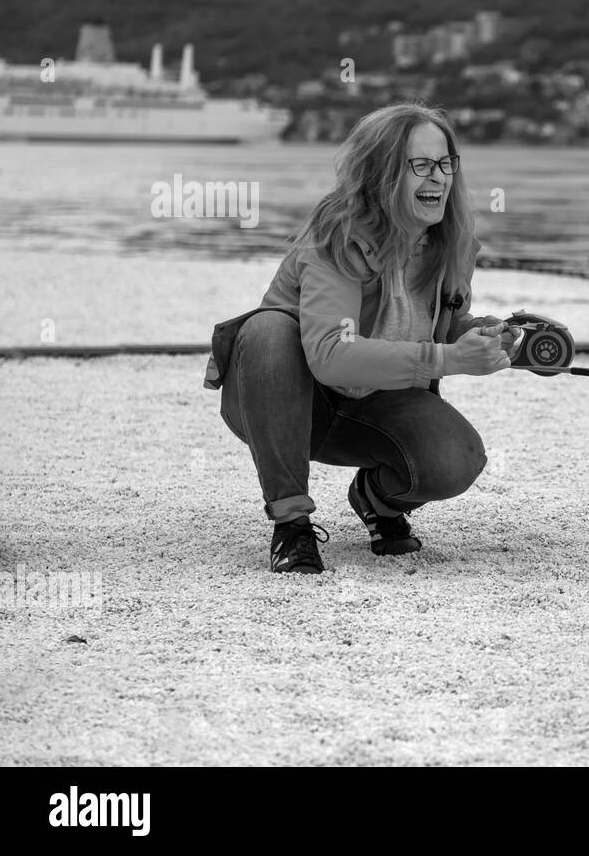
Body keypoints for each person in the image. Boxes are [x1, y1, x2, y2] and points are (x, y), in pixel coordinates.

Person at [204, 103, 520, 574]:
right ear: (381, 172)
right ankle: (291, 524)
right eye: (419, 165)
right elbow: (332, 353)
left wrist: (489, 337)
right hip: (285, 402)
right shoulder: (337, 236)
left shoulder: (450, 241)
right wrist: (449, 358)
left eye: (445, 163)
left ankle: (376, 500)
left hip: (375, 405)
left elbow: (435, 321)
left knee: (457, 460)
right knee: (268, 329)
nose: (437, 177)